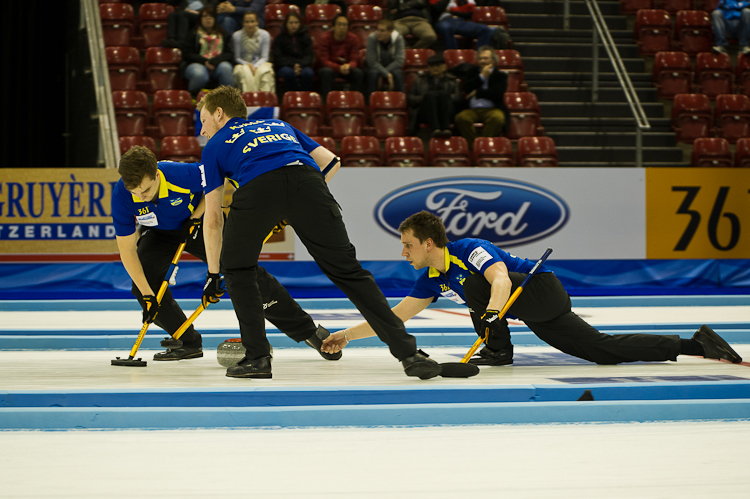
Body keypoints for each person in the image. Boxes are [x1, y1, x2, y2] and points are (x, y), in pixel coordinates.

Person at [197, 85, 442, 379]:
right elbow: (331, 161)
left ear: (219, 113)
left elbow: (212, 218)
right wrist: (293, 206)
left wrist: (214, 274)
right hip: (309, 182)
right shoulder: (279, 125)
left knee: (238, 269)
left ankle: (258, 358)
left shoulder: (213, 146)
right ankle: (409, 355)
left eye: (203, 119)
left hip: (258, 187)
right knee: (349, 272)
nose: (202, 129)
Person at [321, 211, 744, 368]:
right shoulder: (430, 278)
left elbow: (501, 280)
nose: (403, 251)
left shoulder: (470, 250)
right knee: (602, 350)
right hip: (527, 310)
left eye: (407, 244)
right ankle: (695, 345)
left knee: (476, 287)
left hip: (540, 290)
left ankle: (499, 350)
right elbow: (396, 317)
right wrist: (346, 337)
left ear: (429, 242)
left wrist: (490, 314)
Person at [111, 146, 341, 362]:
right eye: (136, 192)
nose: (141, 197)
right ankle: (186, 340)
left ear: (157, 175)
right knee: (143, 287)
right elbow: (127, 249)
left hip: (202, 222)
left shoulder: (181, 174)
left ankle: (307, 330)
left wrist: (195, 216)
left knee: (243, 272)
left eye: (146, 190)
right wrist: (148, 296)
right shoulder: (122, 194)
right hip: (159, 233)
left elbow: (215, 183)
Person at [453, 46, 509, 149]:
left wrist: (477, 92)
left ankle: (482, 145)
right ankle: (476, 146)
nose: (482, 61)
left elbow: (497, 94)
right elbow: (466, 88)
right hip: (472, 109)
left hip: (492, 109)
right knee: (460, 118)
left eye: (486, 58)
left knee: (498, 118)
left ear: (493, 60)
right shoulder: (472, 72)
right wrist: (482, 76)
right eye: (480, 58)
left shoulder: (500, 75)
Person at [181, 6, 235, 97]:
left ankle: (229, 100)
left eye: (211, 16)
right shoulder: (193, 34)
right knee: (200, 73)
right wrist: (205, 62)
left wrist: (214, 62)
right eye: (205, 16)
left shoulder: (224, 34)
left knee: (226, 68)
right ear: (200, 19)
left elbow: (229, 53)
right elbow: (187, 54)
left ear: (215, 19)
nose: (208, 18)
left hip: (217, 64)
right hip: (196, 64)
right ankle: (194, 101)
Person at [407, 53, 461, 137]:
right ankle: (435, 128)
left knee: (443, 94)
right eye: (432, 66)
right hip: (426, 113)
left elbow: (458, 98)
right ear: (428, 68)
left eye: (438, 65)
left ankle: (445, 128)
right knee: (430, 95)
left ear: (444, 67)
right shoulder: (419, 81)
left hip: (447, 112)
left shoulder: (453, 81)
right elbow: (410, 99)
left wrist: (443, 97)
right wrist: (424, 98)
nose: (435, 68)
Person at [317, 14, 364, 102]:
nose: (342, 27)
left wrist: (349, 66)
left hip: (346, 68)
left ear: (348, 27)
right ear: (334, 26)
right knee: (326, 72)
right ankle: (327, 102)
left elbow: (354, 59)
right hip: (331, 68)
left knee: (358, 73)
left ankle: (353, 101)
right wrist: (338, 68)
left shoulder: (354, 39)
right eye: (339, 24)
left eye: (344, 25)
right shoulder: (325, 38)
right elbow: (324, 60)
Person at [232, 11, 276, 93]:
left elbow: (265, 57)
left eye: (252, 21)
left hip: (261, 63)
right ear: (243, 23)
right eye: (247, 22)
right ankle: (248, 102)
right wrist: (248, 65)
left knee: (265, 72)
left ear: (257, 22)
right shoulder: (236, 36)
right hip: (243, 63)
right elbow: (237, 57)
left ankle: (265, 101)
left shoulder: (265, 35)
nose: (250, 24)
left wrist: (255, 66)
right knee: (245, 73)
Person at [272, 12, 315, 92]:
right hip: (285, 66)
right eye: (291, 23)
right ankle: (292, 94)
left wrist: (299, 65)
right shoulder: (279, 38)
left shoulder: (306, 37)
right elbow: (278, 57)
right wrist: (293, 65)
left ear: (300, 24)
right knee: (288, 73)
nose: (294, 25)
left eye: (296, 22)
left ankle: (303, 94)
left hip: (302, 65)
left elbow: (309, 56)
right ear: (286, 24)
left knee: (308, 73)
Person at [364, 19, 406, 99]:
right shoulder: (372, 38)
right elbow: (371, 61)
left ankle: (401, 102)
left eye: (382, 31)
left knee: (398, 73)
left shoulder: (398, 39)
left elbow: (399, 61)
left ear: (390, 32)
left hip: (391, 66)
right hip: (375, 66)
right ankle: (369, 103)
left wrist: (385, 72)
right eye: (378, 30)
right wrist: (386, 74)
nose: (378, 33)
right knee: (373, 73)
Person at [429, 0, 495, 51]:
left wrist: (450, 10)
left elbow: (469, 11)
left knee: (484, 29)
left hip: (461, 21)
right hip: (443, 20)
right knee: (447, 28)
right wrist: (459, 9)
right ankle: (453, 55)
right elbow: (437, 8)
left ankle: (480, 57)